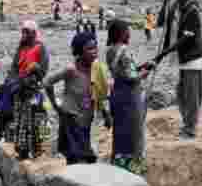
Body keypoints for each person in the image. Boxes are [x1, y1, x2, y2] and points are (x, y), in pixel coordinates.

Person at [45, 32, 108, 165]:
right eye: (90, 49)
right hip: (71, 118)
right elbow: (48, 82)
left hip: (86, 120)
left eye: (95, 48)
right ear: (80, 51)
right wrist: (56, 106)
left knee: (85, 157)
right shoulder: (71, 70)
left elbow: (99, 93)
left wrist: (105, 113)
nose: (94, 52)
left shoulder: (96, 69)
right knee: (78, 157)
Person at [106, 19, 152, 174]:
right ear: (121, 34)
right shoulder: (124, 51)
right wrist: (145, 72)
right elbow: (132, 77)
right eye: (127, 31)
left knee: (120, 131)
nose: (129, 34)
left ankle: (119, 164)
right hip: (130, 96)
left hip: (117, 94)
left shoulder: (110, 50)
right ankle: (134, 167)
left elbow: (124, 71)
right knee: (134, 130)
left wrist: (141, 67)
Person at [162, 0, 202, 140]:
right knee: (181, 93)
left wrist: (163, 54)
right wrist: (165, 0)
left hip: (193, 58)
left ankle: (190, 128)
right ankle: (187, 124)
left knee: (191, 94)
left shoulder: (192, 11)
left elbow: (185, 40)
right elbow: (162, 21)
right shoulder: (177, 6)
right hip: (183, 58)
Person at [8, 20, 50, 160]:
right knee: (20, 120)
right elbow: (14, 67)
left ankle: (37, 150)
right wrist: (14, 81)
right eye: (23, 31)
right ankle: (22, 150)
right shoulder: (21, 48)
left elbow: (43, 70)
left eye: (27, 31)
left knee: (35, 120)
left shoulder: (40, 48)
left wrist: (30, 76)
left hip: (33, 90)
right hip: (20, 90)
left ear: (33, 33)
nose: (24, 34)